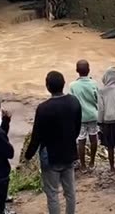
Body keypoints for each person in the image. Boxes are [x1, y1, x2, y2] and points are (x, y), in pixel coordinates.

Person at [25, 71, 81, 214]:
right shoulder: (74, 102)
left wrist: (28, 155)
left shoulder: (43, 108)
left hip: (50, 156)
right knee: (70, 192)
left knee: (52, 193)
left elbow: (36, 136)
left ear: (48, 87)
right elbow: (77, 128)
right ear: (63, 84)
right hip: (68, 152)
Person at [69, 60, 98, 173]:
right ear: (89, 70)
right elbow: (98, 100)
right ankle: (92, 162)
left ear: (77, 71)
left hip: (80, 117)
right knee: (93, 137)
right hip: (93, 115)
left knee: (81, 140)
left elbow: (71, 102)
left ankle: (83, 165)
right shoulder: (94, 84)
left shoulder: (73, 86)